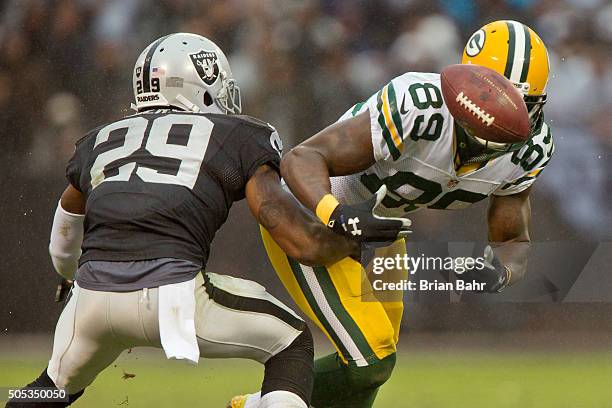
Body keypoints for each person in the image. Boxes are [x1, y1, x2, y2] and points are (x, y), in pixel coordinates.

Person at [6, 32, 378, 408]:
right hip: (173, 296)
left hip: (91, 302)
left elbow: (67, 221)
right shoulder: (239, 134)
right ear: (198, 84)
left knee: (47, 389)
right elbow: (282, 224)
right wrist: (348, 239)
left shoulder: (99, 140)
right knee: (292, 344)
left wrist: (69, 277)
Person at [233, 20, 554, 408]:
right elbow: (303, 158)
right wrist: (337, 214)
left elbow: (513, 240)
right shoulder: (419, 104)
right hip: (312, 215)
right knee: (371, 359)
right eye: (492, 100)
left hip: (382, 232)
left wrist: (499, 272)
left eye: (522, 107)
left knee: (372, 366)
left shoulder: (531, 150)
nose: (499, 119)